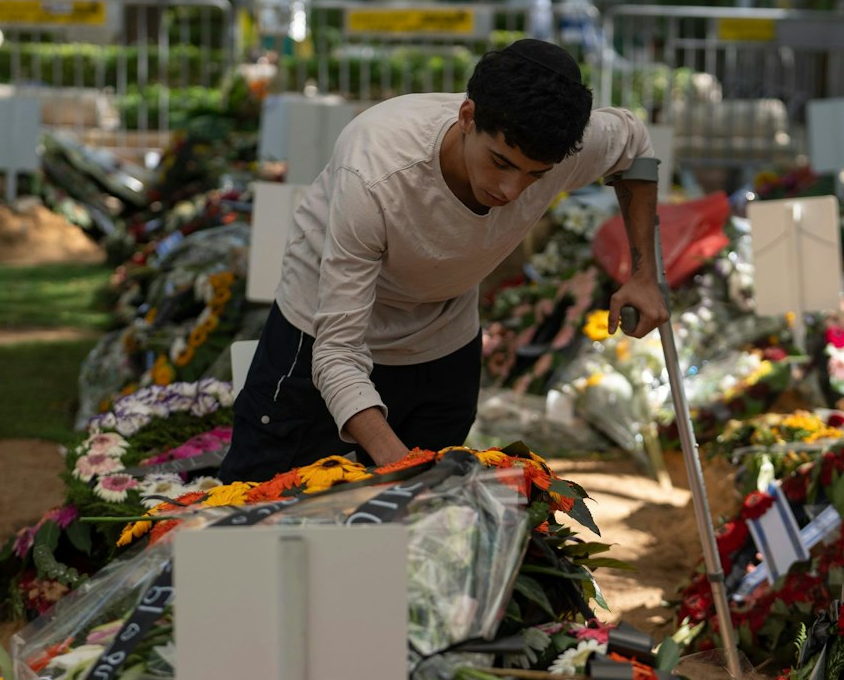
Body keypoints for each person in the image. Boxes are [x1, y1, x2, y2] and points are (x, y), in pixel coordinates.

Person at [218, 38, 668, 482]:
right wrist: (400, 467)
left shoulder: (563, 145)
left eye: (536, 175)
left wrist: (645, 276)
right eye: (501, 162)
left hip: (443, 340)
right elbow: (337, 353)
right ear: (467, 117)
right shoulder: (376, 173)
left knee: (424, 518)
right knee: (264, 503)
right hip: (321, 334)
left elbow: (635, 144)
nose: (511, 190)